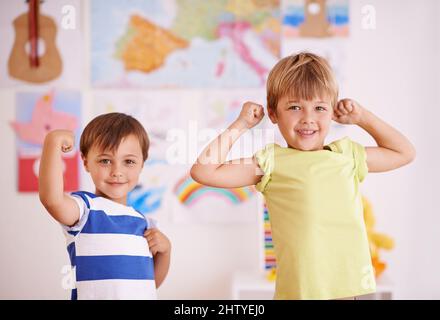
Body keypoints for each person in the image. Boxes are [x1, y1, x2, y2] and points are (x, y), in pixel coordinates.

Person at [190, 52, 415, 300]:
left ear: (332, 112)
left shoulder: (346, 156)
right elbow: (204, 171)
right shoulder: (270, 163)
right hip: (299, 292)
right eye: (295, 107)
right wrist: (241, 124)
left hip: (348, 290)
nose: (308, 119)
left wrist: (362, 118)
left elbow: (404, 152)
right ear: (274, 113)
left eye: (319, 108)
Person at [39, 112, 171, 300]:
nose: (117, 171)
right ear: (86, 162)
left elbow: (149, 285)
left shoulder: (143, 222)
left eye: (129, 161)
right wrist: (52, 143)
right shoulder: (85, 210)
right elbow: (52, 199)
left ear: (142, 164)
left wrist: (165, 252)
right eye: (105, 161)